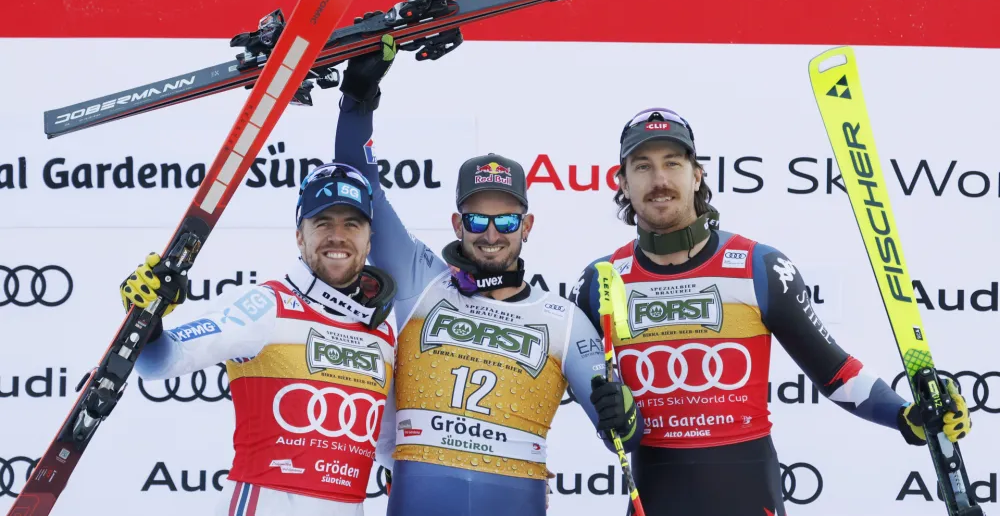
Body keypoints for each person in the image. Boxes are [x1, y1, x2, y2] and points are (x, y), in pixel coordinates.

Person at [569, 107, 973, 516]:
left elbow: (835, 371)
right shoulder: (600, 280)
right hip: (654, 498)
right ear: (622, 182)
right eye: (642, 167)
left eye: (673, 163)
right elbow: (574, 388)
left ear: (697, 175)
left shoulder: (756, 265)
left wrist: (905, 417)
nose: (659, 180)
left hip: (748, 496)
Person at [330, 34, 644, 516]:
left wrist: (622, 416)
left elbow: (621, 437)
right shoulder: (421, 281)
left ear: (527, 226)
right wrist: (358, 100)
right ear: (458, 224)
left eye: (506, 220)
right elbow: (357, 178)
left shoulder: (563, 320)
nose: (491, 234)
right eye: (477, 220)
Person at [121, 159, 398, 516]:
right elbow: (162, 360)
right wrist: (148, 317)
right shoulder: (267, 305)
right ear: (300, 235)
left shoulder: (384, 330)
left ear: (368, 238)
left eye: (352, 224)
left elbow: (391, 445)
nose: (337, 235)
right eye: (322, 222)